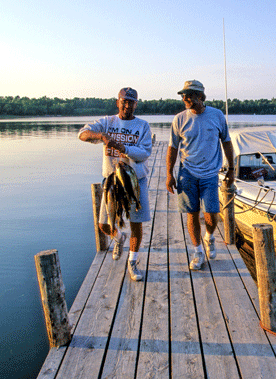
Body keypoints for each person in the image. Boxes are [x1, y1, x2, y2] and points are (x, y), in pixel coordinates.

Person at [78, 87, 153, 281]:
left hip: (135, 181)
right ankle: (119, 237)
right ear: (117, 102)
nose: (127, 105)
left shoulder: (143, 126)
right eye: (124, 101)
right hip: (111, 182)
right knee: (104, 225)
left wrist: (123, 147)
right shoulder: (107, 122)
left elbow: (145, 153)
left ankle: (133, 261)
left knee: (136, 223)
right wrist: (102, 137)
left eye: (131, 102)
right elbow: (82, 134)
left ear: (136, 104)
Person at [166, 80, 235, 270]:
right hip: (187, 172)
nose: (185, 99)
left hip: (210, 174)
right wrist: (169, 174)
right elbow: (172, 148)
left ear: (201, 97)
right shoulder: (179, 119)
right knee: (192, 214)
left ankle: (210, 236)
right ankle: (197, 252)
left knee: (212, 216)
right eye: (183, 95)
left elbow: (227, 142)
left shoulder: (217, 116)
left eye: (190, 95)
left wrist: (231, 169)